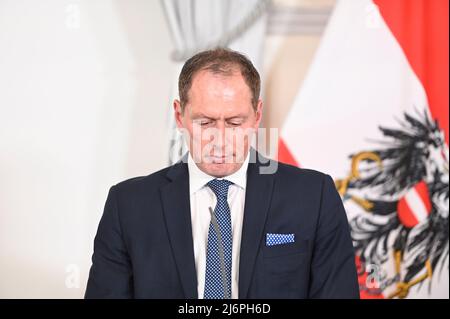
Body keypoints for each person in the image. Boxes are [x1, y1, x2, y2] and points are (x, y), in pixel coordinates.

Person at [85, 48, 359, 299]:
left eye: (235, 122)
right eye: (205, 123)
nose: (220, 139)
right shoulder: (128, 204)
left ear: (257, 115)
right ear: (180, 116)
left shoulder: (314, 197)